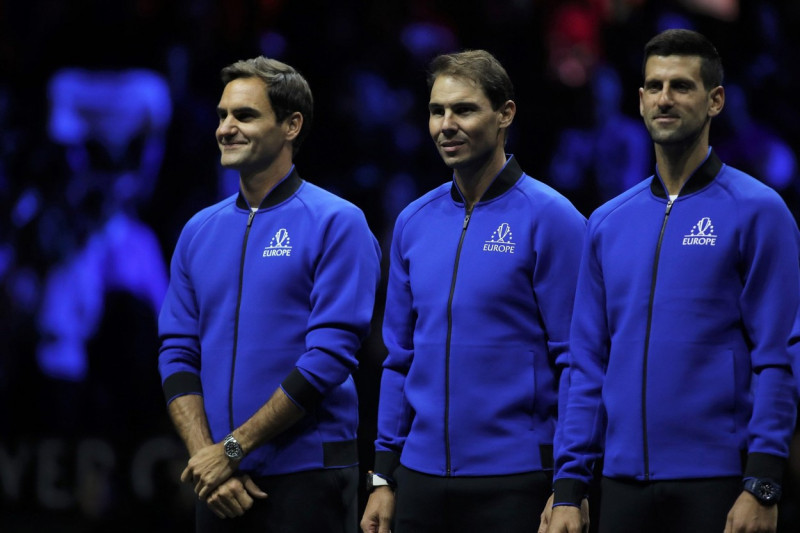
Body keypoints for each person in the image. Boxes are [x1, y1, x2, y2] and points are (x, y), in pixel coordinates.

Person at [544, 29, 800, 533]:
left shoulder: (759, 212)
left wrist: (763, 483)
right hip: (620, 485)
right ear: (639, 101)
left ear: (715, 100)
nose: (665, 98)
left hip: (719, 484)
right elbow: (585, 363)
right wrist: (569, 485)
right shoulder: (607, 222)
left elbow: (781, 354)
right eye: (654, 86)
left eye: (682, 86)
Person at [361, 49, 586, 533]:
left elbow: (578, 362)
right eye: (437, 111)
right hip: (418, 478)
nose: (446, 124)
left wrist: (570, 484)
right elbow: (399, 359)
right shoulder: (413, 222)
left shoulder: (554, 219)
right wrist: (383, 475)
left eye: (463, 109)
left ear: (505, 114)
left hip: (516, 480)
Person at [158, 56, 381, 532]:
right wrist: (207, 458)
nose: (226, 128)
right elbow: (177, 351)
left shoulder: (337, 222)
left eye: (244, 115)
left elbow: (329, 357)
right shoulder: (199, 230)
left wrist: (233, 448)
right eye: (222, 116)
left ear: (291, 125)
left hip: (308, 475)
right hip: (219, 484)